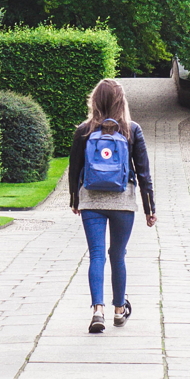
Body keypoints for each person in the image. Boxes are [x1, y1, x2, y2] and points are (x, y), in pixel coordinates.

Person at [69, 79, 157, 334]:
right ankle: (119, 310)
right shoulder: (131, 130)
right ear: (121, 101)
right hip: (123, 201)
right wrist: (149, 208)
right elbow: (143, 173)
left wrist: (76, 200)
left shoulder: (84, 130)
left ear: (94, 100)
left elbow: (74, 170)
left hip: (91, 200)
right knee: (117, 254)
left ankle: (98, 309)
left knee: (96, 255)